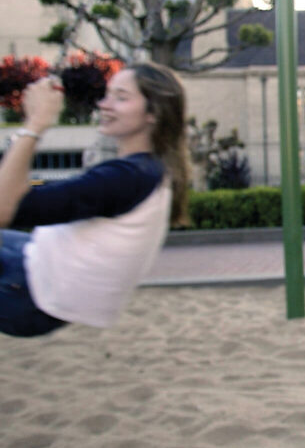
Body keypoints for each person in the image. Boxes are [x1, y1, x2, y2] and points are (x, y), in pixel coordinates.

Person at [0, 63, 189, 337]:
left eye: (121, 98)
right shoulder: (149, 170)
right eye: (108, 94)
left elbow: (5, 208)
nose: (104, 104)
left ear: (153, 113)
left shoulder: (128, 177)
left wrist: (36, 124)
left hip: (29, 294)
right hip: (37, 259)